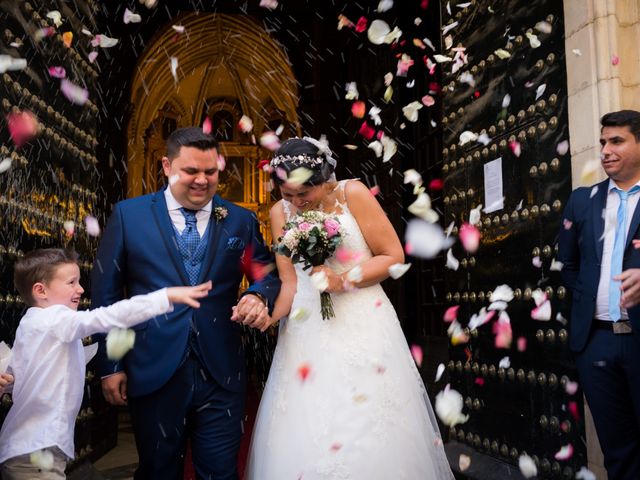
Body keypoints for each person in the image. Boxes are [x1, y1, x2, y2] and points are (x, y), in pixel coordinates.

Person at [244, 138, 454, 479]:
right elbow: (290, 284)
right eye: (288, 196)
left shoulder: (351, 194)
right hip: (305, 331)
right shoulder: (278, 214)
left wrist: (343, 280)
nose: (296, 203)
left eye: (303, 194)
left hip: (362, 321)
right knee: (309, 423)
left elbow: (393, 256)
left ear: (324, 179)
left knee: (369, 420)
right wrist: (269, 315)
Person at [91, 127, 280, 479]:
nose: (202, 181)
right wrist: (111, 363)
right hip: (153, 367)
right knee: (158, 471)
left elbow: (267, 274)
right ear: (166, 165)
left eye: (211, 172)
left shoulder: (239, 219)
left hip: (221, 371)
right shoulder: (128, 216)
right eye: (191, 171)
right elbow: (107, 294)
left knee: (221, 473)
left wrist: (257, 294)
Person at [0, 248, 211, 480]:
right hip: (36, 453)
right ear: (40, 291)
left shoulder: (32, 322)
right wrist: (163, 297)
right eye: (71, 282)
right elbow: (103, 317)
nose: (80, 289)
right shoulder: (54, 319)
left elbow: (21, 376)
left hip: (26, 448)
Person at [558, 109, 640, 480]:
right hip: (597, 343)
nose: (606, 149)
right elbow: (568, 265)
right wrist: (589, 303)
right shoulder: (581, 201)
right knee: (617, 449)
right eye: (604, 141)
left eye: (617, 141)